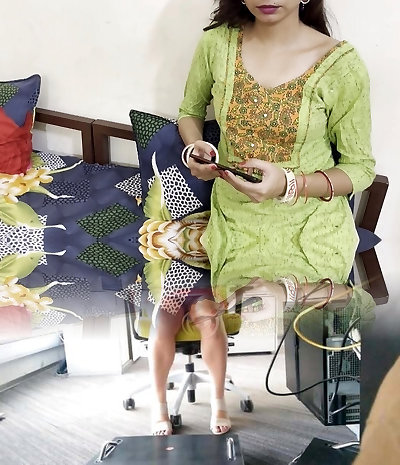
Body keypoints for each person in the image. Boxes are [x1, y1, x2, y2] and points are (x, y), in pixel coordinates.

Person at [149, 0, 375, 436]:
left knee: (336, 333)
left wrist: (289, 184)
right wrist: (196, 149)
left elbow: (359, 170)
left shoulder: (341, 65)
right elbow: (190, 112)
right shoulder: (217, 45)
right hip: (231, 230)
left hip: (313, 231)